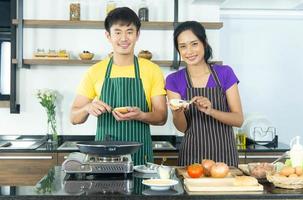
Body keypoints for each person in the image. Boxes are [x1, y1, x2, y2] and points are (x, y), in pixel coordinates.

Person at [70, 7, 167, 165]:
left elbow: (162, 117)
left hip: (140, 159)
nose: (124, 38)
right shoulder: (95, 71)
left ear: (137, 35)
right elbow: (74, 117)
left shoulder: (152, 70)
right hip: (103, 159)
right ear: (108, 35)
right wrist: (87, 108)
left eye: (129, 31)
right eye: (117, 32)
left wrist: (140, 115)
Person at [166, 21, 243, 167]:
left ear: (204, 43)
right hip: (192, 157)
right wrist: (177, 112)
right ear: (178, 50)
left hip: (225, 157)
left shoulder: (225, 73)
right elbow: (182, 128)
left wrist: (211, 111)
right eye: (183, 46)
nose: (189, 51)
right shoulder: (174, 80)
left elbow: (238, 119)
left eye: (194, 44)